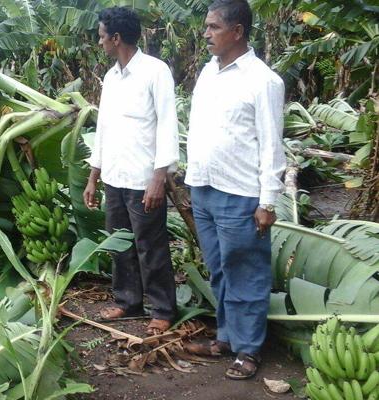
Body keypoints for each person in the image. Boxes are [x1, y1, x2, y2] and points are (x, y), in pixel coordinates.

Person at [183, 0, 286, 380]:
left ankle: (248, 350)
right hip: (205, 187)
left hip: (240, 193)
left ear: (237, 31)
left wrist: (268, 201)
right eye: (206, 27)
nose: (206, 33)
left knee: (246, 272)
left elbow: (272, 145)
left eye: (213, 27)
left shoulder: (263, 81)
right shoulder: (208, 73)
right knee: (221, 271)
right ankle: (227, 337)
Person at [83, 7, 180, 335]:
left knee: (150, 246)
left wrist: (158, 177)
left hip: (143, 179)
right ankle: (128, 301)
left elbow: (168, 124)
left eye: (101, 36)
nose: (100, 42)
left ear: (116, 38)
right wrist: (94, 176)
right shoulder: (110, 77)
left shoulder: (155, 71)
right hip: (114, 175)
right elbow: (104, 129)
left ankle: (163, 308)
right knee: (119, 243)